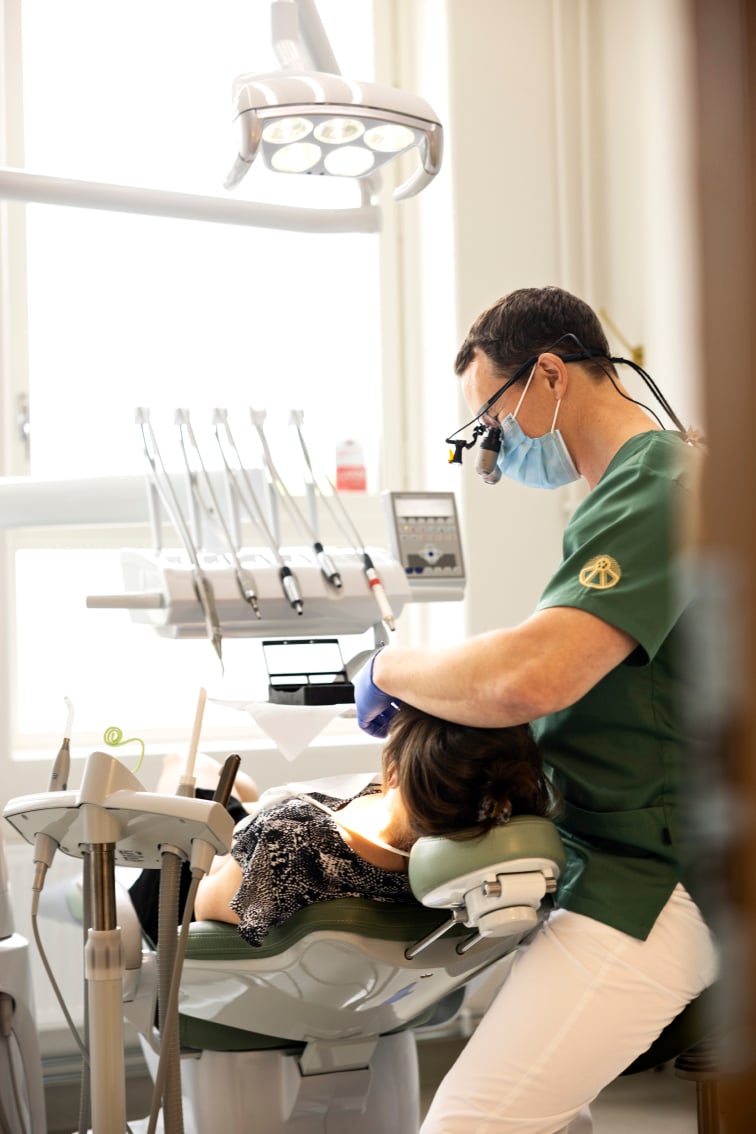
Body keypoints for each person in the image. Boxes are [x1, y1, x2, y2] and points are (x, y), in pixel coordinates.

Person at [354, 286, 718, 1134]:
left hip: (657, 878)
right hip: (619, 855)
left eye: (492, 420)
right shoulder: (629, 491)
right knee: (550, 1110)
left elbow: (534, 676)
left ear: (550, 375)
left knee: (470, 1122)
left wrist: (390, 668)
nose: (492, 449)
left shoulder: (658, 483)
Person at [129, 705, 554, 949]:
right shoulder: (489, 861)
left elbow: (207, 906)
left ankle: (220, 792)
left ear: (392, 773)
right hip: (268, 859)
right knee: (240, 789)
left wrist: (248, 834)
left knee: (187, 770)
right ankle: (243, 797)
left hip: (185, 890)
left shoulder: (289, 838)